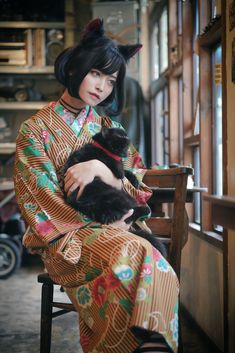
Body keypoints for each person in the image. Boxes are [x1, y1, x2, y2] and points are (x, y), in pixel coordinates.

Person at [14, 18, 179, 353]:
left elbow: (137, 183)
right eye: (96, 73)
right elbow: (38, 200)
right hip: (67, 239)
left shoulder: (107, 126)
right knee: (138, 251)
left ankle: (147, 343)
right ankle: (150, 339)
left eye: (111, 80)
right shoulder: (34, 130)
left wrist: (103, 171)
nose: (102, 86)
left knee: (138, 256)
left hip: (117, 231)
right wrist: (102, 224)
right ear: (77, 67)